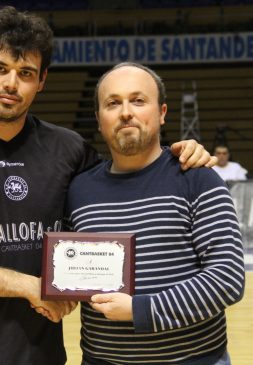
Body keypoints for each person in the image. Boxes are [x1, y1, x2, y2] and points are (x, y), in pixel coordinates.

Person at [0, 7, 216, 365]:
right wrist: (30, 286)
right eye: (0, 68)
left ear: (42, 80)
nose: (11, 84)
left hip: (39, 356)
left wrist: (174, 155)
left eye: (25, 73)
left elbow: (127, 177)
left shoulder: (69, 149)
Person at [65, 62, 245, 365]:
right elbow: (66, 273)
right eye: (113, 103)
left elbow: (226, 276)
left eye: (138, 100)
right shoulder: (78, 190)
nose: (125, 112)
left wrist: (141, 310)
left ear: (162, 113)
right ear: (98, 119)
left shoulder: (196, 177)